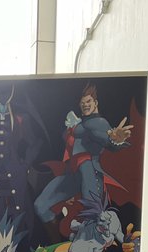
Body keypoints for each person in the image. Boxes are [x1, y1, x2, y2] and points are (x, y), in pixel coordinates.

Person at [34, 83, 133, 235]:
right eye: (82, 102)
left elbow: (107, 140)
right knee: (40, 205)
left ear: (96, 103)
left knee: (93, 215)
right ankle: (57, 240)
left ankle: (96, 244)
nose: (85, 105)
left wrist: (115, 139)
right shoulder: (79, 123)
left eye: (88, 101)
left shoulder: (99, 123)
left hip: (89, 172)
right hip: (72, 175)